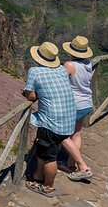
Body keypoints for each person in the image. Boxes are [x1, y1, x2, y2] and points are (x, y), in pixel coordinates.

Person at [23, 41, 76, 197]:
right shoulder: (61, 69)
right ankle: (38, 176)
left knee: (49, 158)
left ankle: (48, 186)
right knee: (43, 151)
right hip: (68, 120)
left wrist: (34, 94)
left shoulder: (35, 71)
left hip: (52, 123)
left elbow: (29, 94)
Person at [59, 36, 94, 181]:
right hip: (87, 103)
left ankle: (83, 167)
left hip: (74, 105)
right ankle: (69, 165)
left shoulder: (69, 65)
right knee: (76, 135)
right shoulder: (88, 63)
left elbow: (60, 81)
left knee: (61, 135)